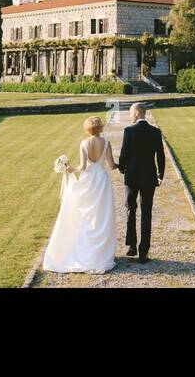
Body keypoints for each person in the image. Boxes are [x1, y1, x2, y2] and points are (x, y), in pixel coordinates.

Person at [41, 115, 118, 273]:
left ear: (88, 128)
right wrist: (121, 164)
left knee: (85, 215)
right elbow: (111, 165)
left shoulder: (84, 143)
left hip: (88, 180)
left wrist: (71, 169)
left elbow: (82, 166)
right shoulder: (106, 143)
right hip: (102, 180)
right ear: (100, 128)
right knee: (101, 216)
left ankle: (86, 250)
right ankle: (100, 254)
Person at [116, 102, 165, 263]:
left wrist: (122, 168)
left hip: (132, 176)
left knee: (130, 208)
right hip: (149, 176)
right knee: (146, 211)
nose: (130, 116)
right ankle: (144, 250)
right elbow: (160, 155)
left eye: (131, 113)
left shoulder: (129, 131)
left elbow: (124, 153)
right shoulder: (155, 131)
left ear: (137, 113)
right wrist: (160, 175)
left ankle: (131, 246)